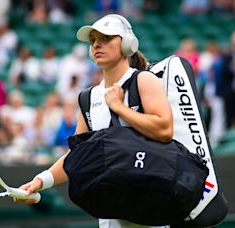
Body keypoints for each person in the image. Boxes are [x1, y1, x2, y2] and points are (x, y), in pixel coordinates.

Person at [13, 14, 173, 228]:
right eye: (93, 40)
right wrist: (40, 181)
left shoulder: (143, 80)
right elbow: (79, 156)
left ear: (127, 43)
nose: (97, 44)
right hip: (111, 214)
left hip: (150, 212)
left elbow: (164, 129)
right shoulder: (87, 98)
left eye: (106, 38)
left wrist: (119, 107)